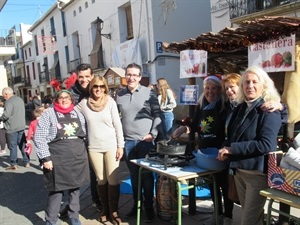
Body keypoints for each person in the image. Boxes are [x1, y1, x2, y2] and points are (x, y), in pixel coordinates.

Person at [217, 66, 282, 225]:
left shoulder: (269, 110)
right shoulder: (241, 108)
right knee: (253, 219)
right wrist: (225, 147)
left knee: (248, 221)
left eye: (254, 82)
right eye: (246, 82)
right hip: (239, 171)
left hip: (256, 174)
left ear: (263, 85)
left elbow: (266, 144)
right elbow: (231, 135)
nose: (250, 86)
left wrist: (233, 149)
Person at [172, 75, 232, 224]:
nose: (210, 91)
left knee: (225, 186)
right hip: (205, 152)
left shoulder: (226, 105)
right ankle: (217, 214)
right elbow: (194, 125)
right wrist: (183, 128)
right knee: (212, 185)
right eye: (207, 88)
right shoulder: (201, 104)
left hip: (221, 152)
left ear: (220, 90)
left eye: (214, 88)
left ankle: (228, 217)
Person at [34, 89, 89, 225]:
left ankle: (73, 216)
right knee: (56, 190)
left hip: (77, 157)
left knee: (75, 189)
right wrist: (45, 158)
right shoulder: (49, 114)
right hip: (56, 158)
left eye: (67, 98)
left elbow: (84, 134)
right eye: (61, 98)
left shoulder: (78, 113)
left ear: (71, 100)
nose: (64, 100)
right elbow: (39, 137)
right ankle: (51, 220)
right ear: (56, 100)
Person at [115, 63, 162, 223]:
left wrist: (152, 134)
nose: (131, 77)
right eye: (129, 74)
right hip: (128, 142)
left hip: (145, 142)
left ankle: (149, 207)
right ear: (125, 76)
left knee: (147, 177)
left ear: (140, 77)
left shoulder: (149, 93)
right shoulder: (119, 95)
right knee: (134, 177)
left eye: (135, 75)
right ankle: (137, 205)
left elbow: (158, 115)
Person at [77, 76, 124, 225]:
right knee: (101, 180)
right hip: (94, 148)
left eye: (101, 86)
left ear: (105, 88)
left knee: (113, 179)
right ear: (91, 88)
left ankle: (114, 211)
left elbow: (118, 125)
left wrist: (120, 146)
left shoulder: (110, 102)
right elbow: (69, 112)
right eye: (95, 86)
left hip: (111, 146)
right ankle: (105, 210)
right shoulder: (84, 104)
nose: (98, 89)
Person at [66, 63, 101, 213]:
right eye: (81, 77)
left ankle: (97, 200)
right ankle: (70, 205)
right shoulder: (71, 93)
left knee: (96, 172)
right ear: (77, 77)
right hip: (77, 140)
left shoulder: (98, 90)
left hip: (96, 138)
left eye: (87, 76)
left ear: (92, 76)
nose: (84, 79)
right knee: (74, 172)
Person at [0, 87, 29, 169]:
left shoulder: (8, 102)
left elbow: (6, 115)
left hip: (11, 127)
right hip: (21, 126)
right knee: (22, 145)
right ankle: (26, 161)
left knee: (12, 146)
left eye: (4, 95)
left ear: (6, 94)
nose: (4, 97)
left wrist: (1, 118)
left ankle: (14, 164)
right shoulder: (20, 100)